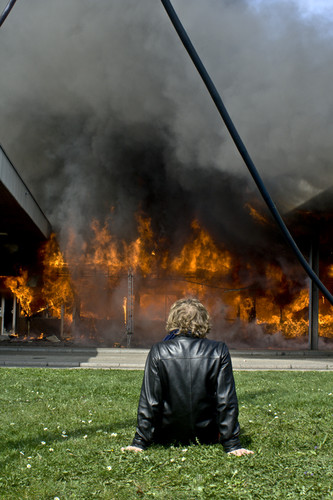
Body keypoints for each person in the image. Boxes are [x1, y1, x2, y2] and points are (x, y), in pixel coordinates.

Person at [122, 298, 253, 456]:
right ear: (203, 320)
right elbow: (226, 401)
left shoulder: (159, 351)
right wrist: (232, 444)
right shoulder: (219, 351)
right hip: (208, 436)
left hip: (166, 437)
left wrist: (139, 442)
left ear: (173, 319)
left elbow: (150, 402)